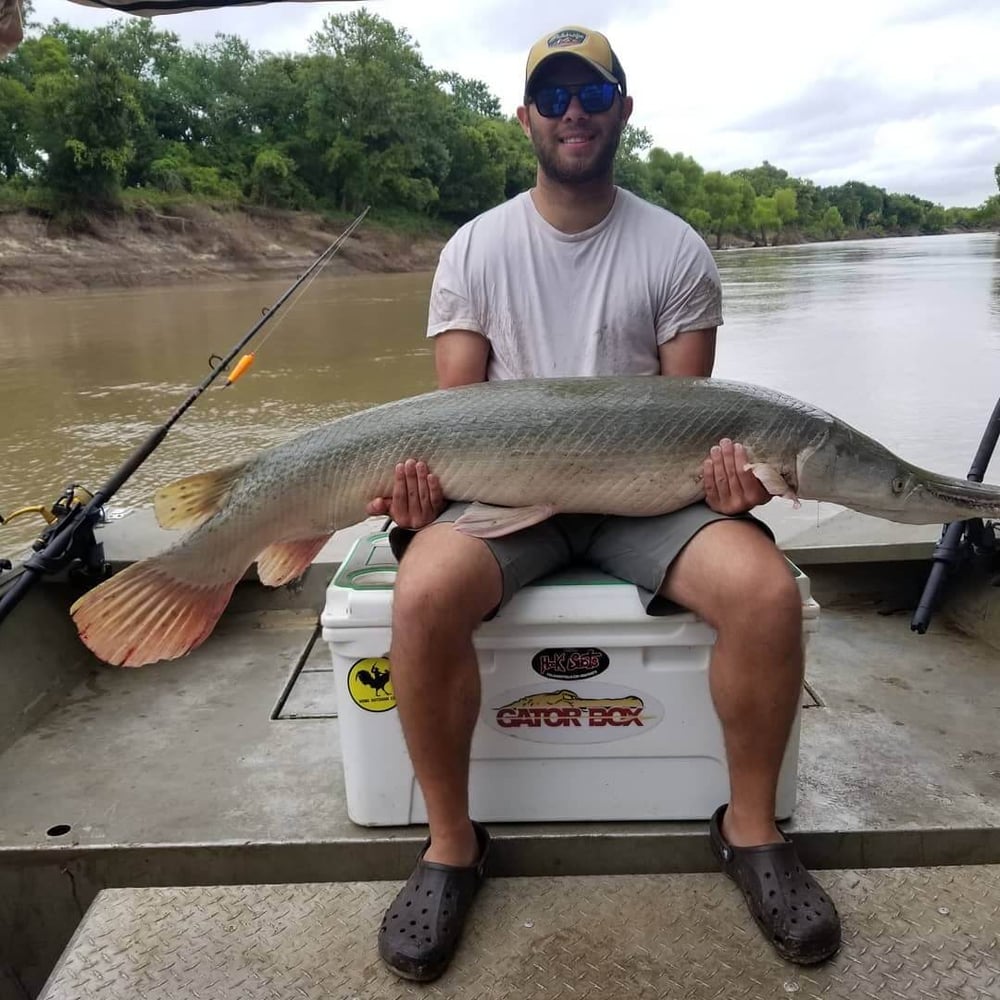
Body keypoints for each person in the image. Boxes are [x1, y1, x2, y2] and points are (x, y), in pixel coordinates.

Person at [366, 24, 842, 982]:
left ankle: (750, 831)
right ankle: (451, 845)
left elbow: (690, 419)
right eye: (554, 97)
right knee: (420, 594)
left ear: (624, 109)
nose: (573, 112)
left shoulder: (675, 248)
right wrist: (420, 500)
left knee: (764, 592)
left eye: (592, 94)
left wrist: (731, 482)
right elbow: (457, 418)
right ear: (525, 118)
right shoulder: (474, 248)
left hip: (644, 498)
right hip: (506, 493)